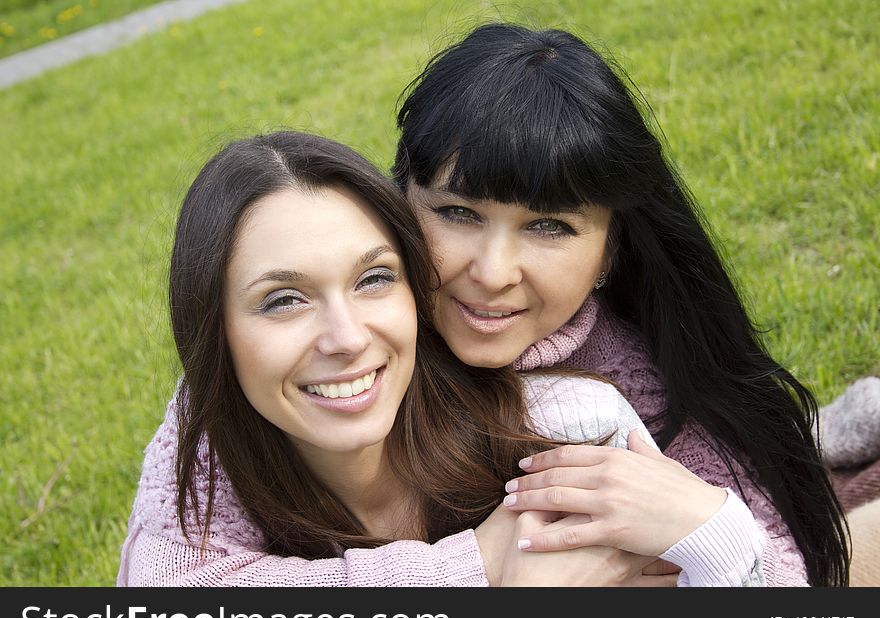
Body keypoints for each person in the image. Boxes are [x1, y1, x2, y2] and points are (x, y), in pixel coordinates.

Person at [118, 130, 766, 587]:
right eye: (284, 299)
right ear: (214, 333)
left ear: (417, 290)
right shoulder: (207, 468)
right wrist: (475, 572)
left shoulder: (565, 428)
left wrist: (721, 534)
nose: (345, 336)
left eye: (373, 279)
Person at [392, 22, 849, 586]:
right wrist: (475, 570)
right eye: (458, 213)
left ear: (610, 250)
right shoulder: (342, 348)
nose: (491, 273)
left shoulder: (649, 390)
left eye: (549, 226)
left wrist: (713, 531)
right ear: (399, 201)